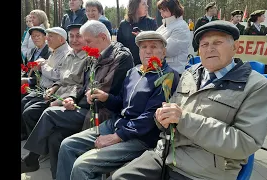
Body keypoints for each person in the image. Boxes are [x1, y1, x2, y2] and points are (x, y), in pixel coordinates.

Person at [107, 20, 267, 180]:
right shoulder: (190, 73)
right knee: (119, 177)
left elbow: (244, 143)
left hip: (202, 171)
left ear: (235, 47)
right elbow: (171, 113)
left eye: (217, 42)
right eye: (204, 45)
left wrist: (183, 119)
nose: (209, 49)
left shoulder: (257, 86)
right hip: (164, 155)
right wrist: (161, 118)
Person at [56, 31, 179, 180]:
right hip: (117, 124)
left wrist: (117, 137)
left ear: (164, 51)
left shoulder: (167, 76)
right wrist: (106, 97)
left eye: (154, 46)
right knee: (68, 145)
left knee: (83, 166)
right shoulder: (133, 72)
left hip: (140, 137)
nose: (148, 51)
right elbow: (121, 103)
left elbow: (150, 118)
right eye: (143, 47)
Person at [20, 20, 134, 179]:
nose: (84, 45)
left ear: (102, 37)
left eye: (87, 41)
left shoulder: (120, 56)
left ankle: (32, 159)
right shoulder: (95, 55)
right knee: (55, 138)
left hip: (101, 113)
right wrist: (71, 99)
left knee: (49, 113)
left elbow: (107, 92)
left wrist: (79, 99)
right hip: (86, 106)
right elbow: (82, 85)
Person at [21, 27, 71, 137]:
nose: (47, 39)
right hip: (44, 88)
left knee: (29, 111)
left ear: (61, 39)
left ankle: (37, 144)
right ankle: (29, 137)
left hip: (54, 92)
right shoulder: (55, 50)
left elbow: (58, 75)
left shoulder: (66, 53)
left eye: (51, 36)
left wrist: (43, 66)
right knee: (24, 102)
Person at [21, 26, 51, 141]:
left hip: (40, 85)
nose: (35, 38)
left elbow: (45, 75)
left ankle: (25, 133)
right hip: (32, 82)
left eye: (38, 36)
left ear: (45, 37)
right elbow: (29, 70)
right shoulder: (34, 51)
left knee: (24, 99)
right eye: (33, 36)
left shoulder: (48, 51)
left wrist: (27, 81)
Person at [117, 0, 158, 65]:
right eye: (144, 4)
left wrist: (142, 36)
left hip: (148, 64)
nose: (147, 6)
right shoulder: (124, 24)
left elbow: (156, 43)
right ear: (135, 6)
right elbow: (119, 46)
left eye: (146, 4)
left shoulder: (151, 22)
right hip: (128, 64)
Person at [156, 0, 190, 75]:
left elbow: (169, 51)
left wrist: (152, 45)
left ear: (173, 9)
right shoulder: (165, 26)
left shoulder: (181, 27)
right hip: (162, 70)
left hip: (174, 72)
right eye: (160, 12)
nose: (162, 15)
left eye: (164, 11)